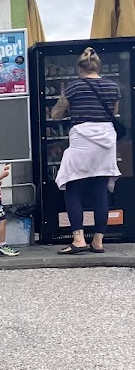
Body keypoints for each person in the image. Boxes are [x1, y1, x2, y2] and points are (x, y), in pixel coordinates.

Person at [50, 46, 121, 254]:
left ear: (80, 69)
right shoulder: (112, 87)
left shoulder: (73, 88)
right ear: (98, 67)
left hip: (82, 140)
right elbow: (115, 111)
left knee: (72, 187)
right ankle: (98, 241)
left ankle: (78, 239)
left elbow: (55, 114)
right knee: (100, 189)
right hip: (106, 142)